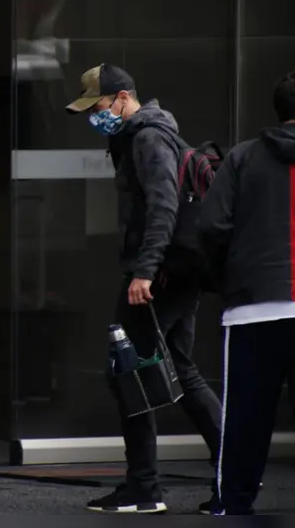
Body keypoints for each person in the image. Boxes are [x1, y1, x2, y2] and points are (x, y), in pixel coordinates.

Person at [65, 64, 222, 514]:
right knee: (181, 371)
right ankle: (233, 471)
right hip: (176, 271)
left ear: (121, 98)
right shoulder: (144, 134)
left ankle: (144, 488)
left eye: (97, 107)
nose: (96, 117)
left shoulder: (148, 137)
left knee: (127, 370)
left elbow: (163, 207)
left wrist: (145, 272)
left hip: (162, 274)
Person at [198, 70, 295, 515]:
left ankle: (233, 506)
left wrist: (230, 279)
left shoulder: (242, 158)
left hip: (253, 307)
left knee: (245, 423)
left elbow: (212, 227)